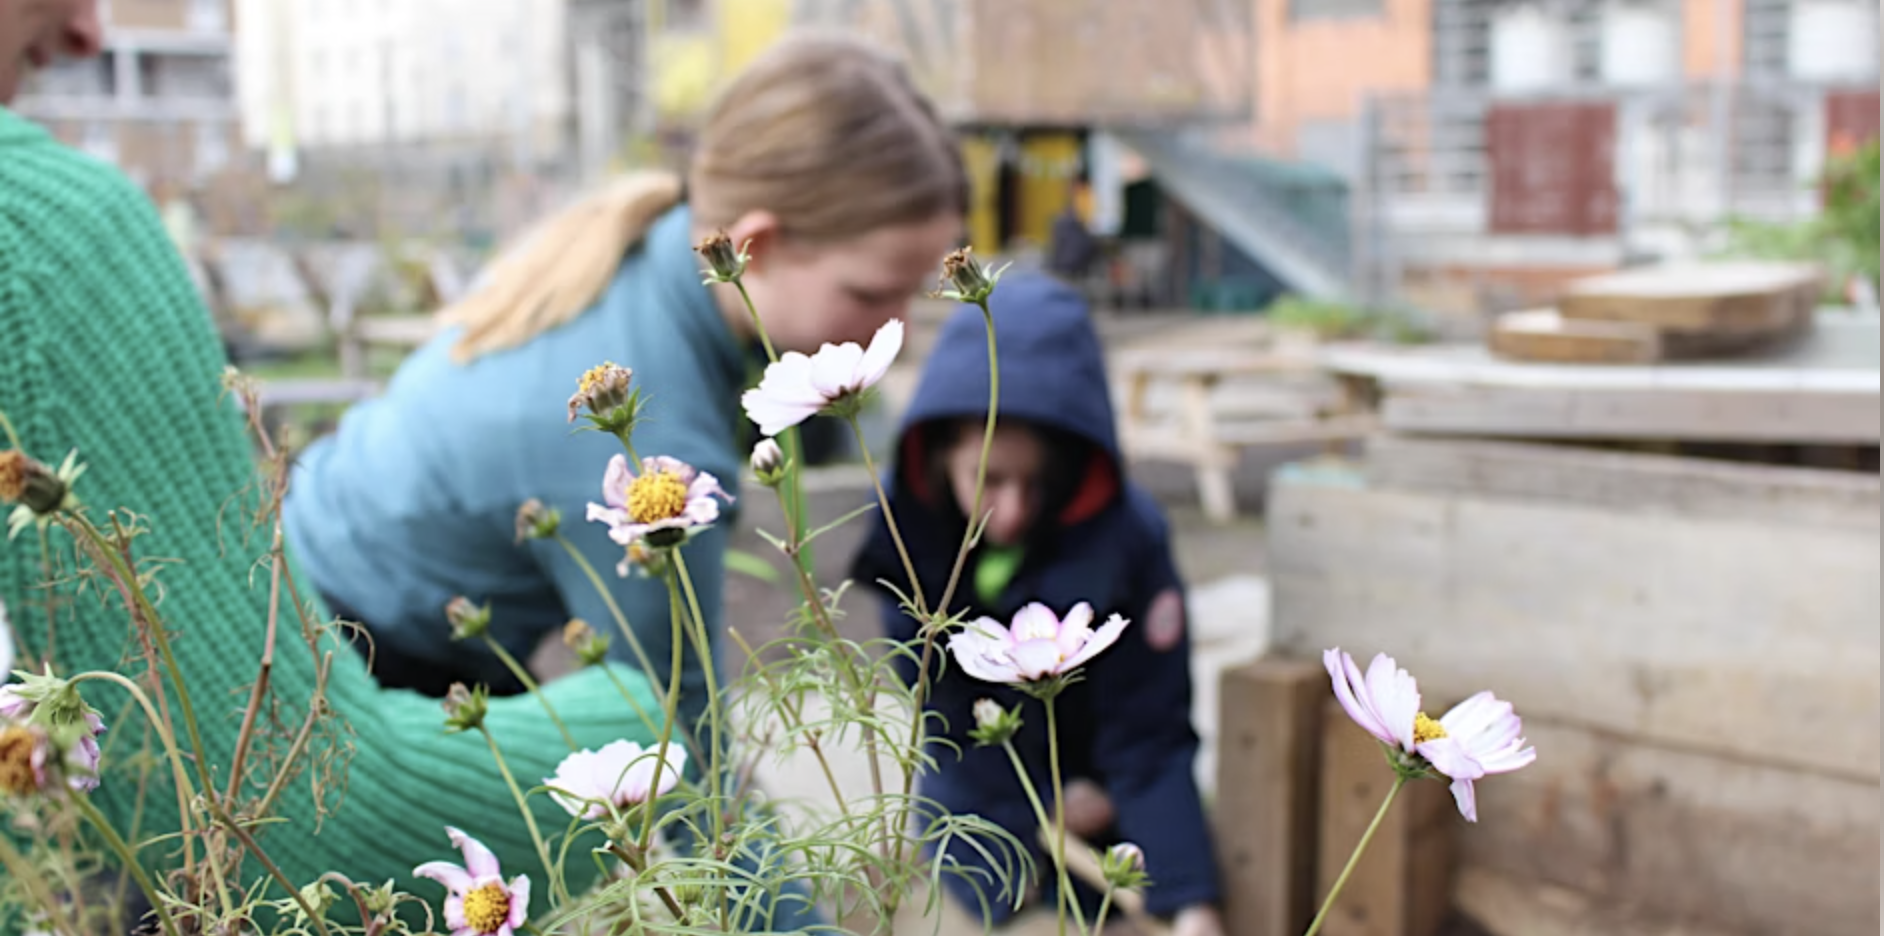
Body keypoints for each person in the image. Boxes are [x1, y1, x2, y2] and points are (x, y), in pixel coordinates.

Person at [0, 0, 662, 926]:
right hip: (367, 657)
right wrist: (649, 727)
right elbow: (294, 819)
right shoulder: (39, 235)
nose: (88, 33)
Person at [282, 32, 967, 746]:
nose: (898, 325)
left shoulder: (654, 250)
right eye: (874, 290)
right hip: (344, 663)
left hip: (324, 563)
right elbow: (673, 731)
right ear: (755, 246)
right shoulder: (654, 449)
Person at [849, 272, 1225, 934]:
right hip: (976, 782)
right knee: (1000, 900)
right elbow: (939, 711)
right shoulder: (906, 538)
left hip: (1104, 785)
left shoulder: (1129, 537)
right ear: (940, 456)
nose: (1014, 511)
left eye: (1037, 482)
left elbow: (1150, 724)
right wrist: (1042, 798)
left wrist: (1189, 896)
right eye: (988, 478)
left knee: (1128, 897)